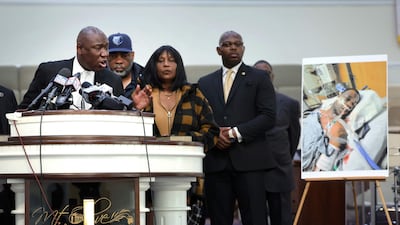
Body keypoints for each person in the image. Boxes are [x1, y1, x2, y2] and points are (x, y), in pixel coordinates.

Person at [198, 31, 277, 225]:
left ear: (243, 48)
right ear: (219, 50)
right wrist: (216, 136)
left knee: (255, 219)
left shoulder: (259, 78)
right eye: (227, 44)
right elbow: (200, 120)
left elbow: (268, 117)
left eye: (237, 44)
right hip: (216, 162)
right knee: (219, 219)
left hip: (250, 162)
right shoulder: (204, 82)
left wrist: (234, 133)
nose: (233, 47)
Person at [140, 45, 220, 225]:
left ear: (179, 65)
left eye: (171, 60)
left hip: (188, 179)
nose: (166, 65)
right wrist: (136, 107)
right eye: (161, 61)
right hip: (150, 175)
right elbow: (133, 132)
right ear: (154, 66)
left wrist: (187, 141)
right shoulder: (145, 94)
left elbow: (212, 131)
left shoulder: (193, 93)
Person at [18, 26, 150, 111]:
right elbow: (24, 110)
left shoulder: (113, 79)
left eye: (106, 47)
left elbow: (120, 118)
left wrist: (135, 108)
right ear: (79, 48)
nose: (105, 54)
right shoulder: (49, 71)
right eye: (98, 48)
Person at [254, 60, 301, 225]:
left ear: (272, 76)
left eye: (266, 73)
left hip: (279, 171)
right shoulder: (243, 103)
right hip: (253, 173)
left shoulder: (289, 104)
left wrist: (283, 157)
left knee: (282, 219)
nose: (263, 77)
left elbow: (294, 137)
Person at [302, 86, 361, 171]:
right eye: (348, 99)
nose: (349, 105)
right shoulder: (312, 114)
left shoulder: (338, 129)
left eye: (353, 105)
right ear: (339, 96)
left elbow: (320, 171)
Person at [107, 32, 144, 98]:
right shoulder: (95, 77)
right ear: (106, 56)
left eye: (124, 56)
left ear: (132, 55)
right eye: (113, 56)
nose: (119, 61)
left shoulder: (145, 77)